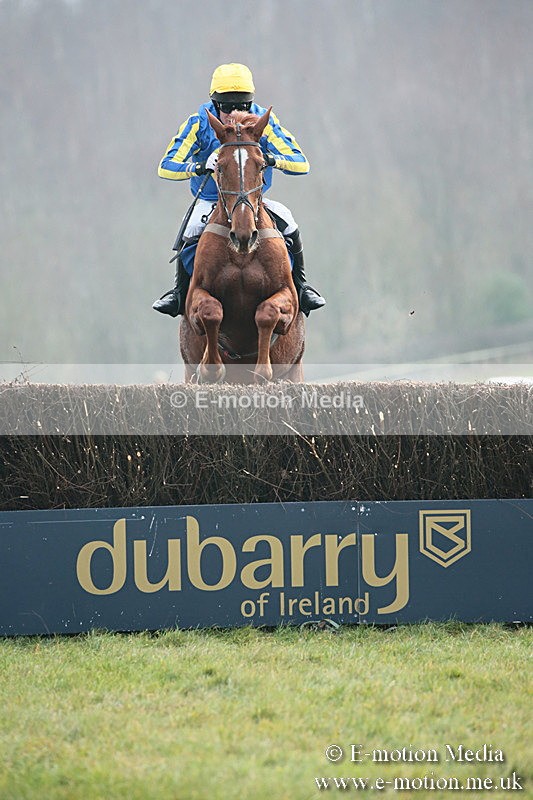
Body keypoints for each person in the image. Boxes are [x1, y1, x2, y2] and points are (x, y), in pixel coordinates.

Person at [153, 62, 325, 317]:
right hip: (211, 200)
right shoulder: (198, 123)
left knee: (288, 220)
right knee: (189, 226)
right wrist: (200, 166)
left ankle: (301, 286)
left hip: (255, 201)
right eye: (226, 107)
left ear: (250, 103)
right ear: (214, 103)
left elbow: (302, 163)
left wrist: (273, 160)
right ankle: (179, 293)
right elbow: (165, 167)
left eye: (242, 106)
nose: (234, 113)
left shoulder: (263, 121)